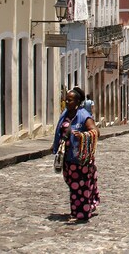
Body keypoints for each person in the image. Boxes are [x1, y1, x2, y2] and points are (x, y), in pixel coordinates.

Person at [52, 87, 99, 223]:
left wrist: (83, 135)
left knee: (81, 185)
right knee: (73, 184)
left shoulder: (84, 116)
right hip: (67, 157)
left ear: (77, 101)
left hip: (81, 158)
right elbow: (60, 130)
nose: (67, 102)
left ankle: (82, 213)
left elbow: (95, 131)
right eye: (66, 99)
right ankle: (80, 208)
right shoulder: (65, 114)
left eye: (70, 100)